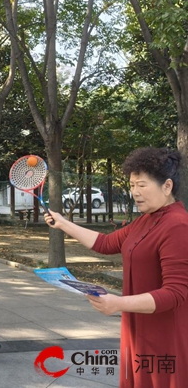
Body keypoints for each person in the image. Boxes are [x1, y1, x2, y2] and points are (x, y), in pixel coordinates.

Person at [44, 147, 188, 388]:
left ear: (167, 186)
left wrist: (118, 303)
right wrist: (63, 223)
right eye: (132, 185)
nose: (135, 192)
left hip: (165, 337)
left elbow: (176, 292)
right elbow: (105, 243)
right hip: (138, 331)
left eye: (142, 185)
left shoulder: (178, 226)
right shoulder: (145, 220)